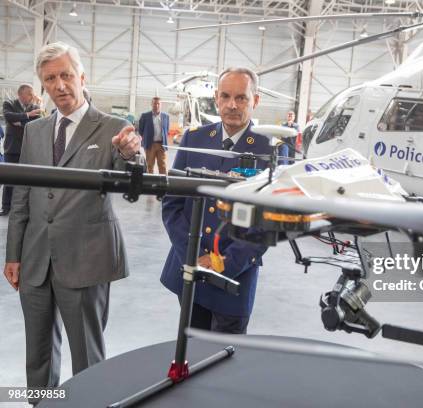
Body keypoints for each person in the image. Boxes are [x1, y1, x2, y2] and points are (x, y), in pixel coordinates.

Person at [3, 42, 141, 403]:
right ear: (42, 85)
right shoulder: (35, 131)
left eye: (66, 75)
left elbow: (131, 177)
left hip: (85, 258)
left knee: (87, 357)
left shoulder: (113, 127)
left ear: (81, 77)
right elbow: (22, 196)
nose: (60, 85)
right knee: (38, 354)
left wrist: (133, 154)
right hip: (35, 260)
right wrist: (13, 255)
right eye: (51, 78)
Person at [161, 67, 271, 334]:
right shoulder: (194, 139)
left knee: (225, 360)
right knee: (189, 351)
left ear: (255, 100)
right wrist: (195, 254)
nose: (232, 105)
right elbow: (173, 205)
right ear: (216, 98)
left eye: (242, 98)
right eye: (226, 96)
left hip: (234, 276)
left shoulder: (271, 149)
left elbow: (270, 222)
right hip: (190, 270)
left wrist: (223, 263)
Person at [1, 84, 42, 216]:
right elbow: (8, 117)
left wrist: (19, 121)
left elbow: (37, 123)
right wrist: (27, 115)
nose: (32, 96)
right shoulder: (9, 103)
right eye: (29, 94)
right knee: (9, 179)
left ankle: (24, 208)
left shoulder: (35, 107)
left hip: (28, 147)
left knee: (26, 179)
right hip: (12, 148)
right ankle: (5, 207)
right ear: (21, 94)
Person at [138, 96, 169, 174]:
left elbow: (166, 130)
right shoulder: (145, 116)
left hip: (162, 145)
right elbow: (141, 130)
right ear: (151, 104)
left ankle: (162, 183)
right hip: (150, 145)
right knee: (149, 166)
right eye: (155, 103)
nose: (156, 105)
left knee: (162, 165)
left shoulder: (166, 116)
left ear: (161, 105)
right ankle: (149, 183)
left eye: (158, 104)